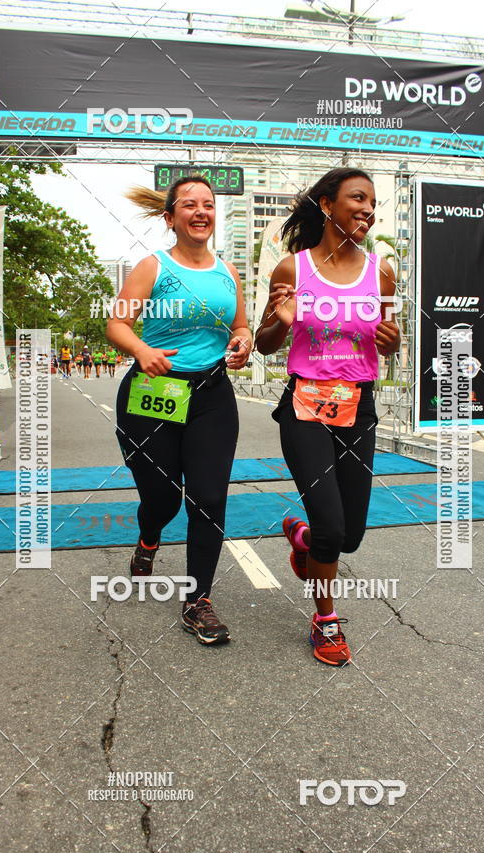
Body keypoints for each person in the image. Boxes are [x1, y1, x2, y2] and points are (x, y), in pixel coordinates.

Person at [256, 167, 400, 666]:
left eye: (372, 201)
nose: (367, 208)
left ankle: (302, 537)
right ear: (326, 205)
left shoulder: (380, 271)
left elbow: (390, 333)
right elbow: (263, 342)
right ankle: (326, 620)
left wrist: (394, 341)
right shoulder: (292, 269)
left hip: (358, 405)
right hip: (305, 405)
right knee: (333, 528)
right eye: (357, 198)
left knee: (350, 535)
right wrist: (279, 319)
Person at [106, 176, 252, 645]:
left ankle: (197, 601)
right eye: (188, 205)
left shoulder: (228, 273)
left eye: (208, 204)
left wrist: (243, 344)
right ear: (171, 218)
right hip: (155, 391)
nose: (200, 211)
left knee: (208, 499)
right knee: (164, 499)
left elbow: (241, 328)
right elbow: (118, 323)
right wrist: (140, 350)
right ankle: (149, 538)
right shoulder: (154, 266)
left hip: (211, 394)